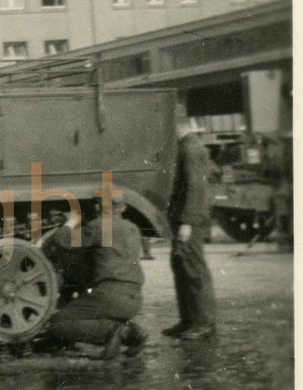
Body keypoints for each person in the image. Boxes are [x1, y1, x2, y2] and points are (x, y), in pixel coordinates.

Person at [43, 199, 149, 359]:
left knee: (57, 323)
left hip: (110, 294)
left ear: (98, 207)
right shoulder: (133, 228)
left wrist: (70, 221)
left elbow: (63, 240)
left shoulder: (99, 225)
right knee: (94, 312)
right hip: (134, 298)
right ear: (124, 207)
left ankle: (115, 332)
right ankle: (132, 333)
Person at [162, 118, 219, 340]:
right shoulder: (187, 147)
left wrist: (187, 221)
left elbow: (196, 189)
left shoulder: (192, 149)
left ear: (180, 126)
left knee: (193, 269)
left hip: (189, 220)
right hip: (183, 218)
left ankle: (204, 323)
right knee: (181, 266)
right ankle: (189, 320)